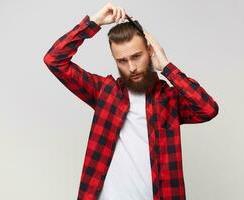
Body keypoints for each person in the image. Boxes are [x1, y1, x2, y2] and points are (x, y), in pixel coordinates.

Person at [43, 2, 219, 200]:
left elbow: (208, 109)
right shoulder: (104, 92)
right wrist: (95, 22)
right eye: (122, 61)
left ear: (150, 51)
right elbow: (54, 60)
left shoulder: (169, 99)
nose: (132, 67)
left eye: (137, 56)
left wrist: (167, 67)